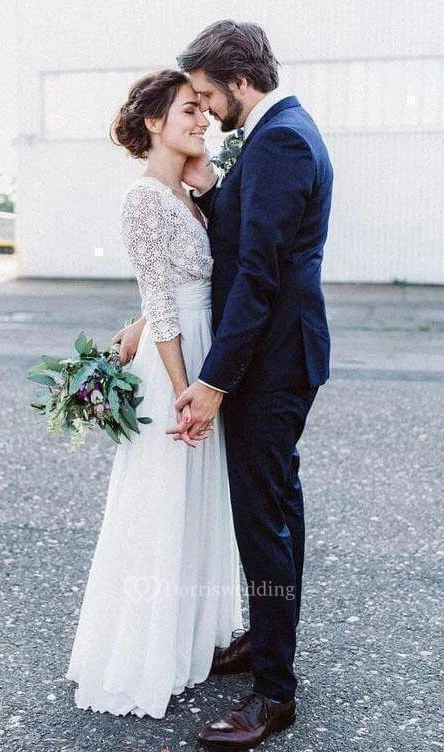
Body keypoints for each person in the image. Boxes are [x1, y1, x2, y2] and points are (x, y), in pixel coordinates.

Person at [168, 19, 333, 750]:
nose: (206, 108)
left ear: (240, 81)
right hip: (283, 356)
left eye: (208, 95)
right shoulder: (280, 132)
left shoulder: (280, 141)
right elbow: (248, 238)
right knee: (278, 508)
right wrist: (211, 191)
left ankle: (273, 694)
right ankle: (269, 640)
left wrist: (212, 382)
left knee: (262, 519)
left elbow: (256, 277)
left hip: (270, 365)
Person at [65, 68, 243, 721]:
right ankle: (141, 653)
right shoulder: (144, 198)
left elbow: (168, 287)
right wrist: (182, 391)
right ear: (154, 122)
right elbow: (163, 301)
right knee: (161, 503)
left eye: (204, 110)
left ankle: (186, 638)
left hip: (196, 350)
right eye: (189, 110)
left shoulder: (185, 194)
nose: (203, 120)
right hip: (179, 364)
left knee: (196, 500)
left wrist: (139, 328)